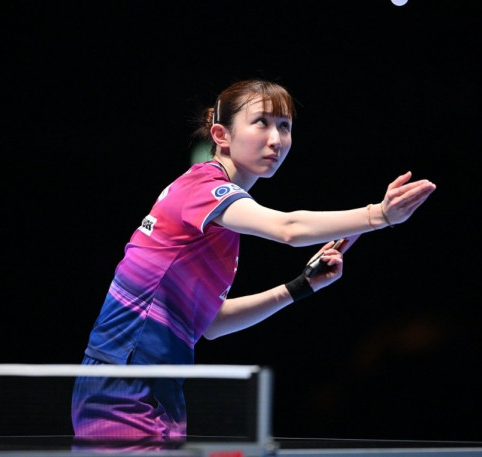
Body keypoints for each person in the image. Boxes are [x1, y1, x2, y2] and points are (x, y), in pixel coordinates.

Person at [71, 79, 436, 449]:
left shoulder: (218, 227)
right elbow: (289, 228)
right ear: (221, 135)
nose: (276, 139)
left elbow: (211, 323)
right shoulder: (202, 188)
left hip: (160, 389)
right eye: (261, 122)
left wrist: (300, 287)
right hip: (121, 384)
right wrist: (378, 216)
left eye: (285, 126)